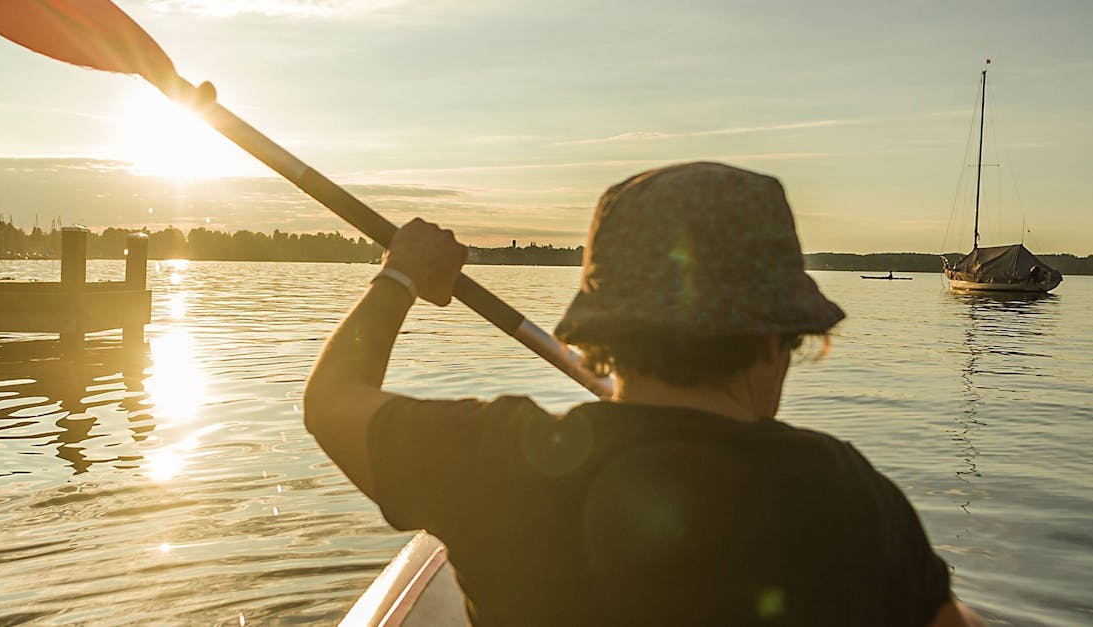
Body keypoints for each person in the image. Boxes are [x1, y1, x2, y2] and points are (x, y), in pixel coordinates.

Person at [305, 162, 985, 626]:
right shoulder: (854, 500)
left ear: (606, 332)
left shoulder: (497, 462)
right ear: (777, 338)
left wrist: (399, 276)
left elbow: (331, 399)